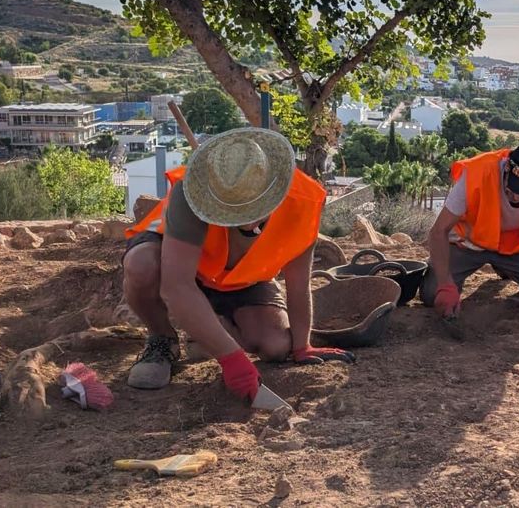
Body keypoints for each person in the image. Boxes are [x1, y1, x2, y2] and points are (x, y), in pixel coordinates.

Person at [122, 128, 354, 402]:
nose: (247, 219)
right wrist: (231, 359)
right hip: (186, 269)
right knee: (141, 265)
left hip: (241, 279)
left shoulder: (301, 201)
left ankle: (207, 329)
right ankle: (163, 339)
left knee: (276, 346)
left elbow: (298, 281)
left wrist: (302, 346)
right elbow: (177, 287)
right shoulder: (192, 194)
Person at [421, 139, 519, 318]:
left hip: (513, 250)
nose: (517, 196)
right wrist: (444, 285)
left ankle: (505, 267)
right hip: (468, 245)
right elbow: (438, 231)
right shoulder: (478, 173)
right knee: (431, 293)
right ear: (507, 167)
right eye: (513, 188)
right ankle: (446, 273)